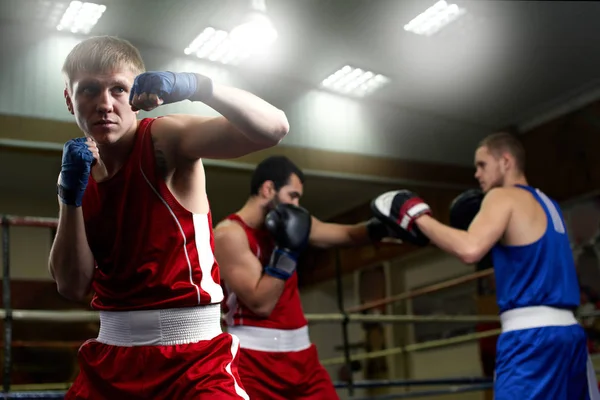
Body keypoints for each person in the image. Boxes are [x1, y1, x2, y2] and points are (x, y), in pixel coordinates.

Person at [47, 35, 290, 399]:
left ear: (136, 97)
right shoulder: (76, 173)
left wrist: (199, 87)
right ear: (69, 99)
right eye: (89, 90)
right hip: (110, 361)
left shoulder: (165, 139)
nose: (104, 104)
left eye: (118, 89)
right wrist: (69, 197)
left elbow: (274, 128)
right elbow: (71, 285)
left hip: (192, 361)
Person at [371, 132, 600, 399]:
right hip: (569, 336)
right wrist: (429, 234)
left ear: (505, 161)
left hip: (529, 339)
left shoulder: (502, 197)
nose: (477, 175)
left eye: (482, 165)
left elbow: (470, 249)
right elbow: (511, 251)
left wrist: (415, 216)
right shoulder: (549, 205)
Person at [214, 155, 427, 400]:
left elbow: (346, 235)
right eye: (292, 195)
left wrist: (383, 227)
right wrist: (287, 251)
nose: (296, 205)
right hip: (254, 361)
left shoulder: (292, 222)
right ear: (268, 189)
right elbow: (261, 303)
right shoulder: (229, 234)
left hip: (302, 357)